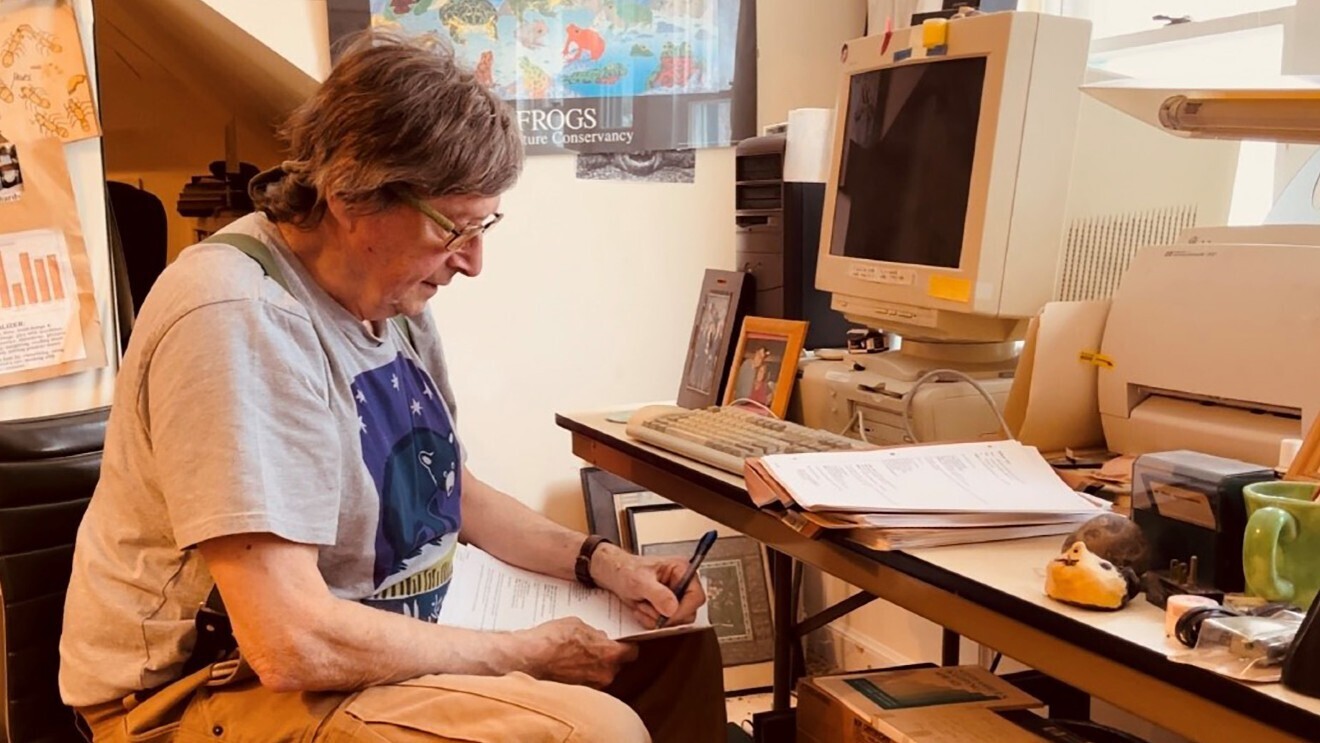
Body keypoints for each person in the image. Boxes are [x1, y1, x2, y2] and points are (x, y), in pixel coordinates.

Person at [59, 31, 726, 742]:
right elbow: (290, 641)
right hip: (199, 692)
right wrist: (521, 653)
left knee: (675, 656)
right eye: (455, 228)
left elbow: (449, 487)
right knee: (592, 731)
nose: (473, 262)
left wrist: (604, 564)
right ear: (354, 195)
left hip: (367, 634)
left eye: (485, 225)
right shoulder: (239, 317)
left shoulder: (392, 297)